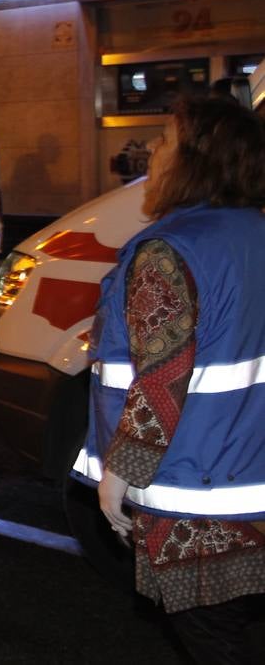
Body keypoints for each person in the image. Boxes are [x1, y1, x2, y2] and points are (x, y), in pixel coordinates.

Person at [75, 96, 265, 664]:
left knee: (212, 639)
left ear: (196, 159)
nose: (152, 152)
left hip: (195, 489)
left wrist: (118, 475)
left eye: (165, 140)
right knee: (230, 628)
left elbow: (161, 380)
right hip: (250, 472)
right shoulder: (254, 232)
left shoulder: (169, 249)